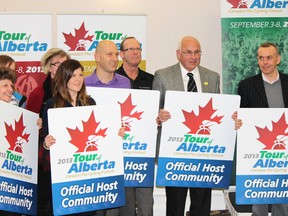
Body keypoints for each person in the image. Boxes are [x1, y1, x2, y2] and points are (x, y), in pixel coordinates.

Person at [153, 36, 241, 216]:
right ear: (178, 54)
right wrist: (159, 115)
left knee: (201, 205)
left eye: (197, 52)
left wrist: (230, 117)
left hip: (204, 152)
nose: (193, 56)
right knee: (175, 205)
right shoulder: (162, 75)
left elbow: (218, 110)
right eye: (188, 52)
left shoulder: (212, 77)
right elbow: (154, 110)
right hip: (175, 152)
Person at [238, 42, 288, 216]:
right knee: (258, 201)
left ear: (278, 59)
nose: (265, 62)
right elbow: (241, 116)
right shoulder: (246, 85)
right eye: (261, 58)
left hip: (284, 151)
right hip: (258, 152)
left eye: (269, 57)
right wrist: (238, 123)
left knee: (283, 199)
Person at [41, 59, 97, 216]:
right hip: (64, 174)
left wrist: (115, 134)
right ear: (64, 78)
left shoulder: (90, 103)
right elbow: (44, 142)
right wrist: (46, 144)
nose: (78, 79)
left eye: (80, 75)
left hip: (87, 171)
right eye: (73, 76)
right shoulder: (52, 105)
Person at [85, 40, 130, 216]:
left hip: (117, 153)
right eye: (109, 54)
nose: (115, 59)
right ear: (97, 57)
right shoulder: (84, 84)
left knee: (114, 207)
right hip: (94, 154)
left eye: (116, 54)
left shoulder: (125, 83)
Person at [115, 36, 154, 216]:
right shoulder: (114, 80)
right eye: (130, 49)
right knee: (126, 206)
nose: (135, 52)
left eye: (138, 48)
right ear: (121, 54)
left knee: (147, 205)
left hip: (144, 149)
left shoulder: (151, 79)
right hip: (121, 150)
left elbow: (158, 109)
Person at [26, 48, 70, 114]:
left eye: (65, 63)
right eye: (57, 63)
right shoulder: (38, 93)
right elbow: (29, 120)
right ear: (49, 67)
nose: (62, 67)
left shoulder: (74, 88)